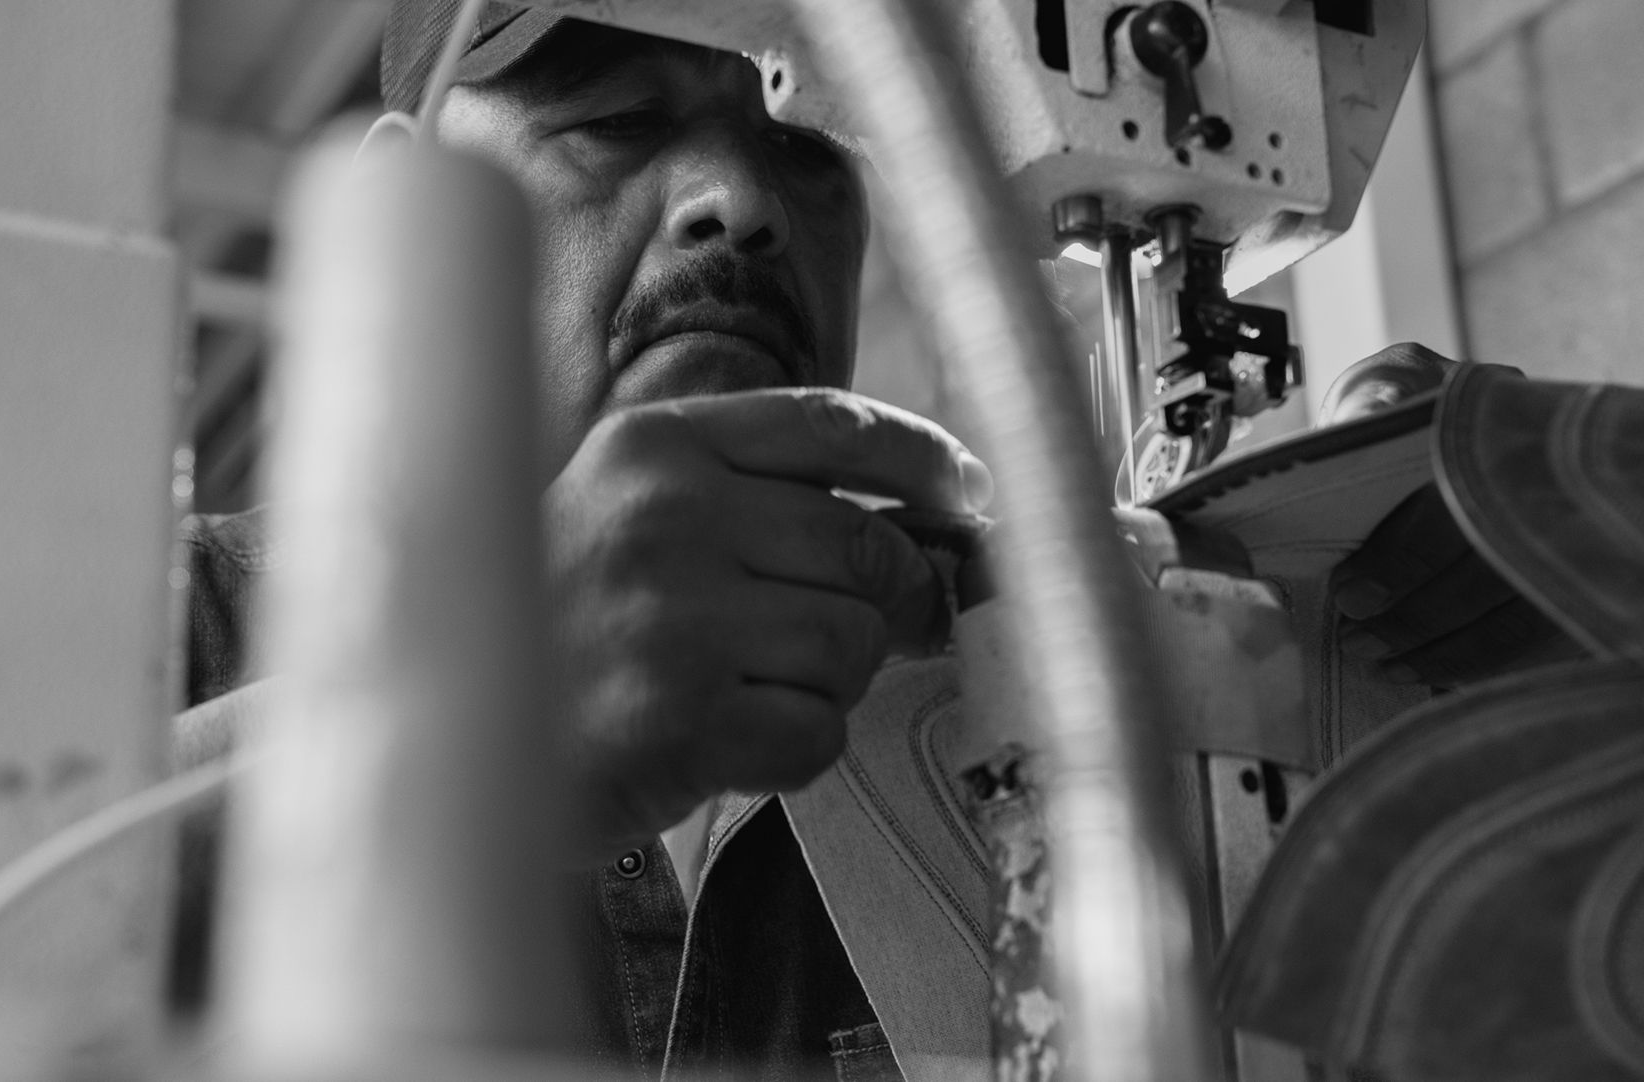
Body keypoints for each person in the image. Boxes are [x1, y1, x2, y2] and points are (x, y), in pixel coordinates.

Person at [175, 5, 1577, 1078]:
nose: (745, 199)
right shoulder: (137, 634)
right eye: (610, 118)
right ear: (407, 198)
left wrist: (1485, 784)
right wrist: (458, 728)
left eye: (809, 134)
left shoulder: (971, 705)